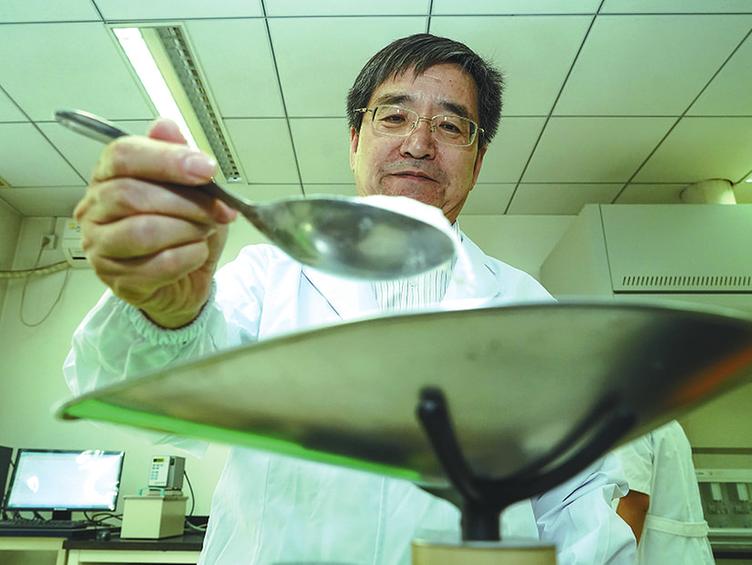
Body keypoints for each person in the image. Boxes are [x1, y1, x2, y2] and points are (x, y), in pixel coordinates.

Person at [64, 34, 636, 564]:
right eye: (394, 116)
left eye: (450, 126)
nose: (418, 144)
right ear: (356, 141)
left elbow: (578, 499)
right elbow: (151, 401)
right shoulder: (269, 277)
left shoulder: (526, 306)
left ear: (478, 160)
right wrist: (167, 313)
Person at [615, 420, 714, 564]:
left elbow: (633, 503)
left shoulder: (631, 427)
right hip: (683, 553)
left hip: (659, 553)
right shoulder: (667, 422)